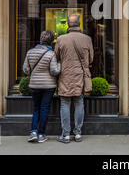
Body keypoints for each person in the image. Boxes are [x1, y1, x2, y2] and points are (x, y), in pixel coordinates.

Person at [55, 14, 93, 144]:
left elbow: (56, 57)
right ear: (79, 23)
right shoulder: (87, 39)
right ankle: (77, 133)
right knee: (79, 102)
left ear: (68, 25)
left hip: (65, 75)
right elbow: (91, 58)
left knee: (65, 103)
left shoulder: (61, 39)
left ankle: (65, 135)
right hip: (80, 75)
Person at [23, 30, 60, 143]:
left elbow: (25, 69)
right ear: (51, 41)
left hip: (34, 85)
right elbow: (54, 71)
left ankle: (33, 131)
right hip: (48, 86)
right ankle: (41, 134)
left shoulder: (30, 52)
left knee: (36, 108)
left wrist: (33, 74)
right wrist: (60, 65)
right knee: (44, 108)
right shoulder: (51, 54)